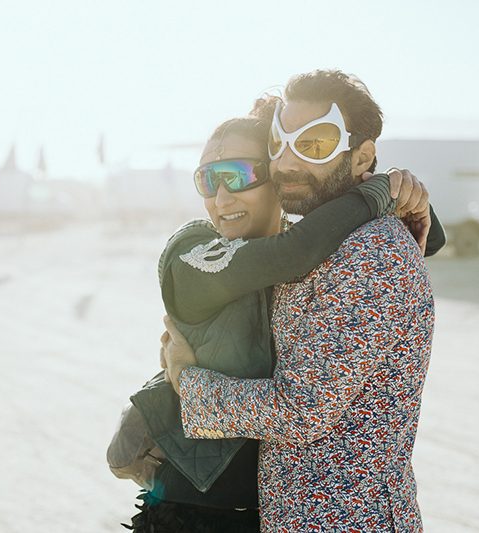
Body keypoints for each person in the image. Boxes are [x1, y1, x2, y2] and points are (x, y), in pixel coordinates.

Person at [123, 82, 444, 531]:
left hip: (334, 518)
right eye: (207, 179)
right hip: (197, 510)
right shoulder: (197, 250)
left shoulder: (354, 251)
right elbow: (296, 252)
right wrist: (380, 193)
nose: (221, 196)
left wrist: (400, 197)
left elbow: (301, 406)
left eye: (238, 174)